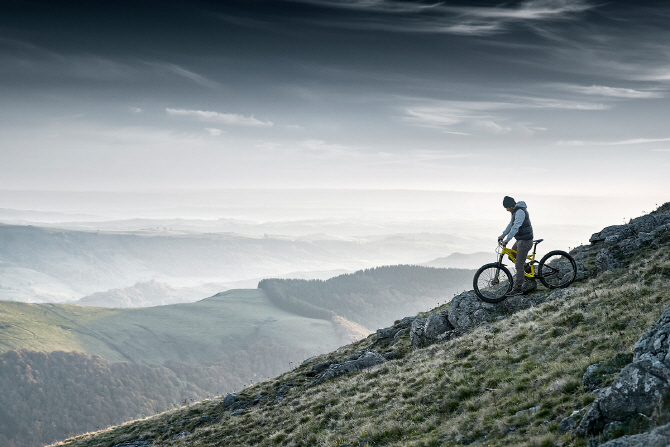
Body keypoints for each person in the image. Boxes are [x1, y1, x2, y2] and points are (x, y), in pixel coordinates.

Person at [498, 196, 533, 296]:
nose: (506, 210)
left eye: (506, 208)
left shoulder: (520, 212)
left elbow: (516, 227)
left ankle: (518, 289)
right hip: (520, 240)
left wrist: (507, 240)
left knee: (518, 265)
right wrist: (503, 235)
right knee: (511, 256)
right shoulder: (515, 212)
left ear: (510, 206)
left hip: (525, 241)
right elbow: (510, 225)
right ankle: (527, 268)